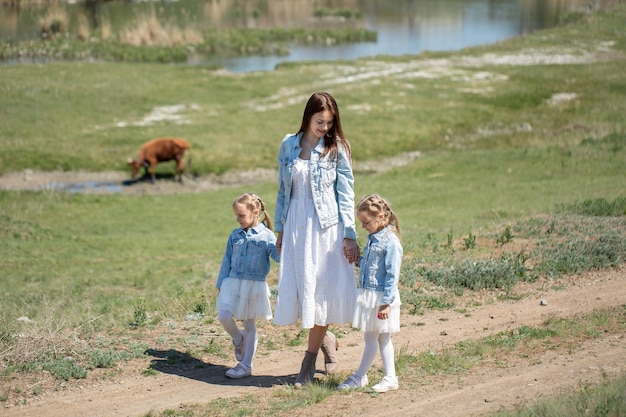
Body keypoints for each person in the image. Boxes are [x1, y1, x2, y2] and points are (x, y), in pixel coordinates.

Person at [274, 92, 360, 388]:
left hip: (326, 228)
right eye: (319, 121)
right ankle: (326, 340)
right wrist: (281, 231)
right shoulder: (288, 144)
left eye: (329, 122)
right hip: (296, 224)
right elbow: (283, 192)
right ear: (307, 117)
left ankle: (307, 364)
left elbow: (346, 195)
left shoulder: (338, 148)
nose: (325, 127)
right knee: (302, 291)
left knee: (319, 293)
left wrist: (349, 235)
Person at [338, 194, 403, 393]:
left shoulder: (390, 242)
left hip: (381, 298)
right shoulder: (374, 238)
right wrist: (357, 260)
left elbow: (393, 274)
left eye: (366, 222)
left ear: (381, 216)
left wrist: (386, 303)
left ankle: (361, 377)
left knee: (376, 338)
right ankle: (387, 377)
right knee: (379, 338)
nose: (364, 226)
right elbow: (372, 266)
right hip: (372, 295)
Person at [216, 192, 280, 379]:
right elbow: (226, 260)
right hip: (232, 282)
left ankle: (246, 365)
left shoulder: (267, 236)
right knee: (224, 316)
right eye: (236, 215)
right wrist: (221, 283)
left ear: (255, 212)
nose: (238, 219)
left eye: (241, 215)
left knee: (250, 324)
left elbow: (277, 257)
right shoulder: (234, 235)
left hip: (253, 285)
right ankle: (239, 339)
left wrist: (285, 246)